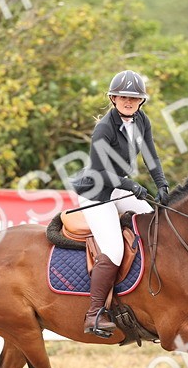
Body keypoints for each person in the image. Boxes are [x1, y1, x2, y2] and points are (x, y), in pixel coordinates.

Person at [71, 70, 170, 336]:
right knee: (113, 249)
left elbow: (151, 156)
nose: (129, 101)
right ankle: (93, 315)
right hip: (96, 193)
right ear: (113, 98)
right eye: (124, 97)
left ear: (141, 102)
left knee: (155, 222)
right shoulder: (104, 128)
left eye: (134, 98)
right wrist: (132, 186)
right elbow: (101, 172)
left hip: (118, 189)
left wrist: (161, 184)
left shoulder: (142, 121)